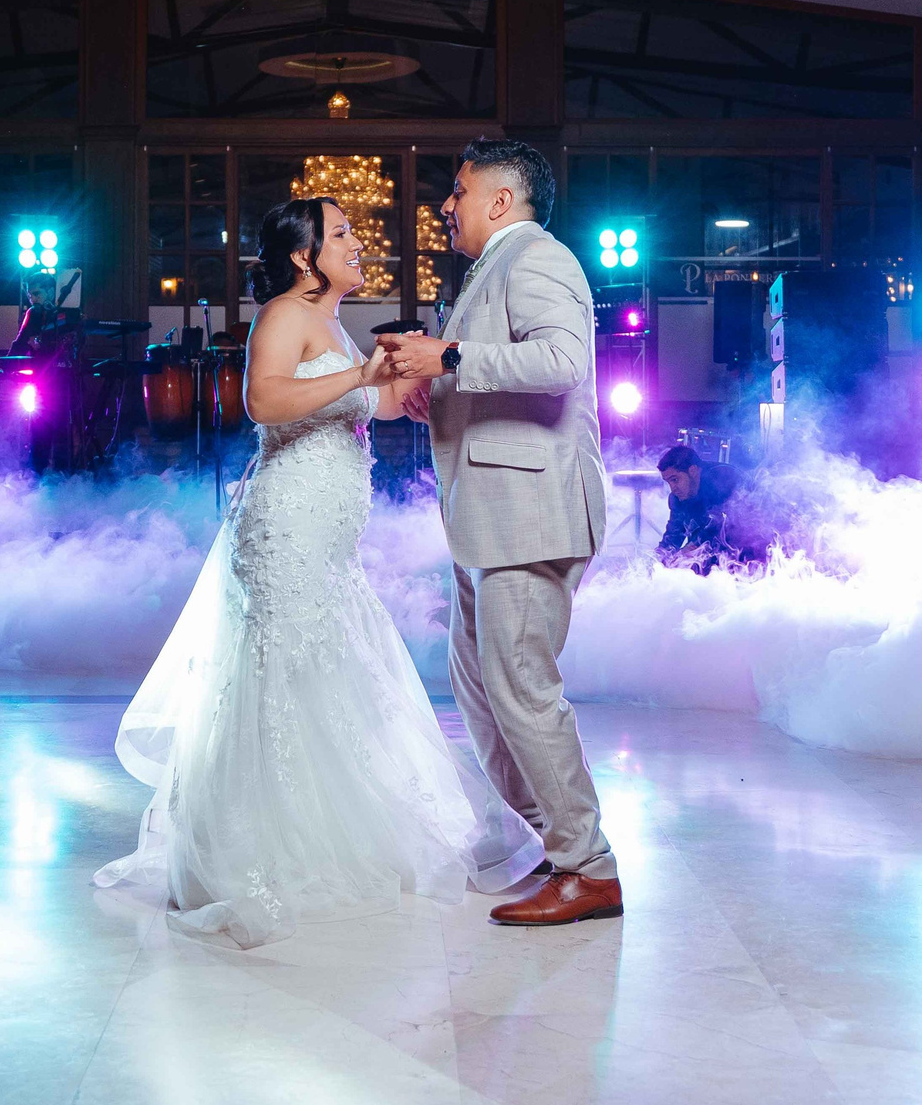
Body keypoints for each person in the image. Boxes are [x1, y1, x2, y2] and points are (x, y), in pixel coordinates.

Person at [96, 197, 530, 947]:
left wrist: (410, 382)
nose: (358, 244)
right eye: (341, 235)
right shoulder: (283, 315)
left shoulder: (331, 324)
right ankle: (257, 855)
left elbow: (367, 402)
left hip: (328, 535)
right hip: (286, 525)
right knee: (283, 671)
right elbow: (265, 402)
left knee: (328, 670)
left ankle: (337, 834)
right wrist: (360, 373)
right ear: (304, 256)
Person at [378, 138, 622, 928]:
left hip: (532, 513)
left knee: (521, 689)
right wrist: (436, 392)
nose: (445, 205)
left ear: (500, 201)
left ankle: (588, 868)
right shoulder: (493, 269)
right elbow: (498, 372)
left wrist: (446, 353)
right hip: (488, 517)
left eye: (457, 189)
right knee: (485, 695)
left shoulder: (539, 258)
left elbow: (561, 362)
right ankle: (557, 847)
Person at [655, 444, 744, 569]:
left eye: (675, 480)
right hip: (717, 548)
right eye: (668, 482)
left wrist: (689, 548)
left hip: (751, 542)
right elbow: (674, 534)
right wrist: (658, 562)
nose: (673, 488)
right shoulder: (677, 497)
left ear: (693, 471)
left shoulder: (721, 478)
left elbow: (718, 524)